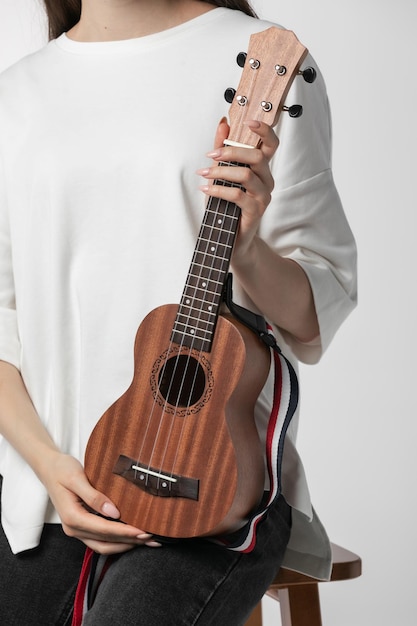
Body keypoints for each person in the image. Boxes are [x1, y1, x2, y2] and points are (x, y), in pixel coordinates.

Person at [0, 0, 357, 624]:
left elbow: (312, 316)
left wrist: (247, 249)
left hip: (210, 488)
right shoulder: (18, 92)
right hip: (51, 488)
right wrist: (50, 467)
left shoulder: (264, 59)